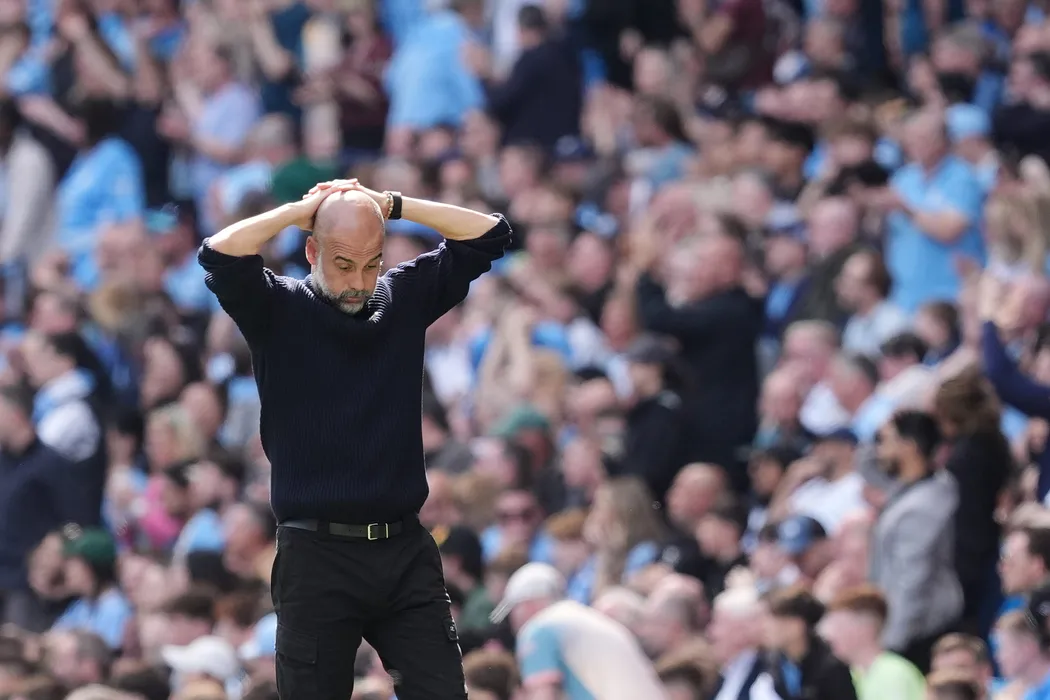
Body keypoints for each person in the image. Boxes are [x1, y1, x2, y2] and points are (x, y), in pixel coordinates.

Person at [198, 177, 511, 699]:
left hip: (404, 549)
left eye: (371, 263)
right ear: (312, 251)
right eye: (343, 264)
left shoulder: (402, 298)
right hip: (315, 555)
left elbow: (489, 234)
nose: (358, 281)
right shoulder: (277, 308)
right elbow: (220, 252)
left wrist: (390, 204)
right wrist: (301, 210)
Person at [491, 562, 668, 699]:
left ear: (526, 604)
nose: (512, 621)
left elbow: (543, 695)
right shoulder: (588, 618)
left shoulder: (539, 628)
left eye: (513, 610)